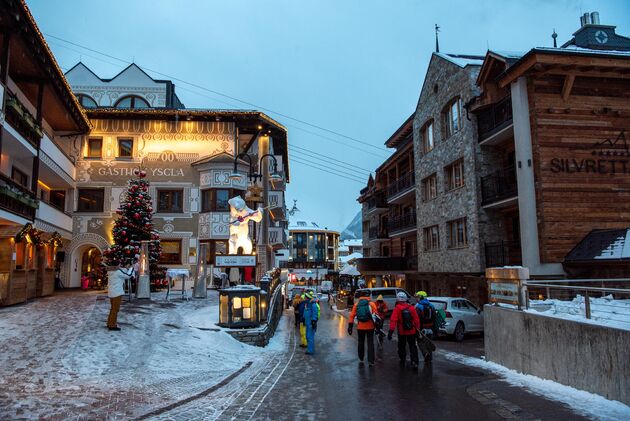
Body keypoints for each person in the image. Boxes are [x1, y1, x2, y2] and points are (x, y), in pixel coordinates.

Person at [388, 291, 420, 369]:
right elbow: (416, 320)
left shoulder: (397, 308)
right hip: (412, 331)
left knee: (402, 345)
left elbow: (393, 320)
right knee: (412, 346)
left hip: (402, 332)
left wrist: (390, 332)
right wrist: (417, 330)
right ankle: (414, 361)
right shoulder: (411, 308)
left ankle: (402, 359)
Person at [347, 289, 378, 366]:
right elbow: (376, 316)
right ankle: (371, 361)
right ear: (368, 296)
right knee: (370, 343)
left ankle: (361, 358)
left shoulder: (357, 304)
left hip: (360, 327)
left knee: (361, 342)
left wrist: (350, 327)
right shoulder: (372, 304)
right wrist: (377, 326)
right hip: (370, 327)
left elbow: (352, 316)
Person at [106, 263, 134, 331]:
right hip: (117, 293)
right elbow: (128, 275)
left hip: (112, 292)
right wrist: (131, 268)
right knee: (115, 309)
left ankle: (109, 323)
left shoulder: (111, 271)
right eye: (119, 264)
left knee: (113, 309)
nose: (120, 265)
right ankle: (112, 325)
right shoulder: (117, 272)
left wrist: (126, 268)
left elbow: (122, 271)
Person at [303, 290, 320, 355]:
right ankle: (309, 349)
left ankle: (310, 350)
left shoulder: (313, 304)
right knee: (307, 336)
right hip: (307, 323)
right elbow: (306, 313)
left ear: (308, 298)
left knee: (310, 337)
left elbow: (315, 313)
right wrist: (304, 319)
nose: (304, 299)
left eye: (305, 298)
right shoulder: (307, 304)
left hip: (311, 323)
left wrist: (313, 321)